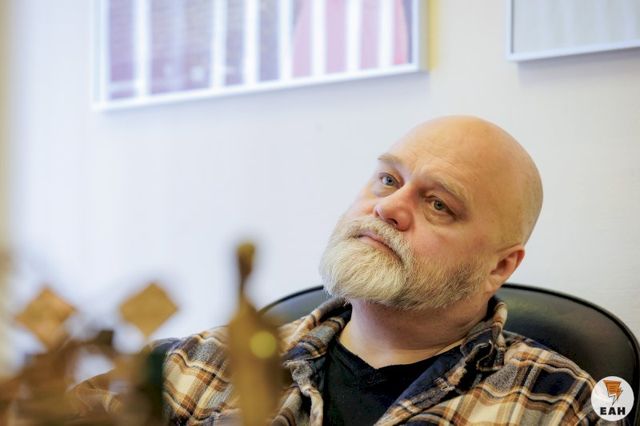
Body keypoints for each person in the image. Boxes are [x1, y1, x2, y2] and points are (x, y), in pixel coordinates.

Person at [75, 116, 600, 424]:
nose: (388, 208)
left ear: (499, 266)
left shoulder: (558, 403)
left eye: (439, 204)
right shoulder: (191, 367)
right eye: (388, 180)